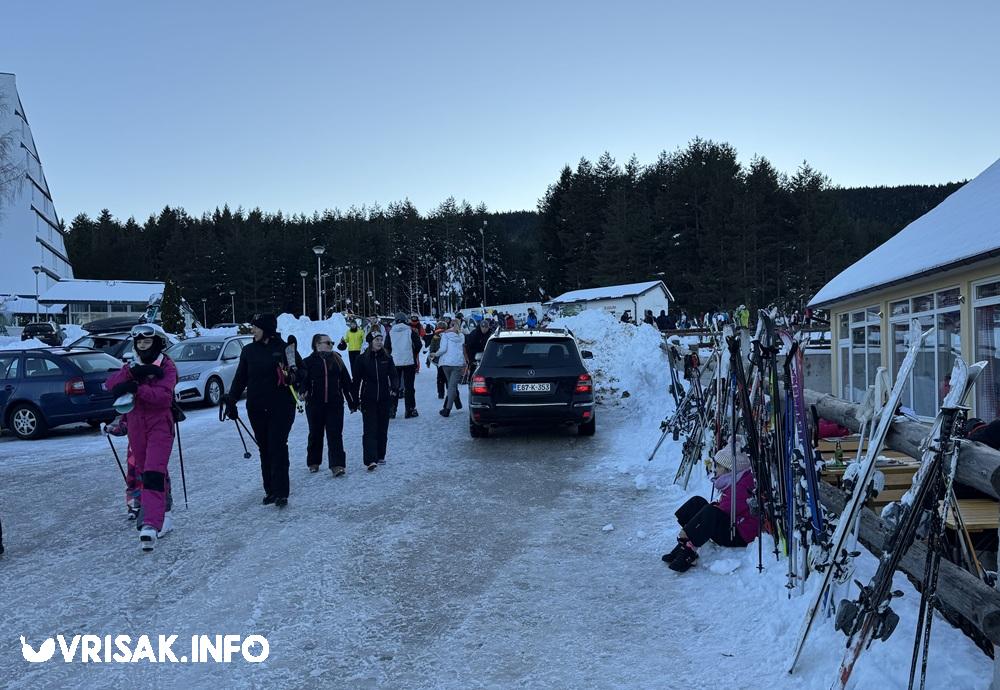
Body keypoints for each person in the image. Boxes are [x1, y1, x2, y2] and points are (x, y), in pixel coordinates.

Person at [105, 323, 178, 551]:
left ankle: (150, 524)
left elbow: (163, 398)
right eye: (139, 342)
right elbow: (110, 384)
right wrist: (131, 374)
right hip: (136, 425)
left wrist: (138, 389)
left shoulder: (166, 366)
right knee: (146, 472)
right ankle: (164, 513)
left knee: (154, 472)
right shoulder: (133, 364)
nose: (143, 346)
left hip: (159, 424)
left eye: (147, 342)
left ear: (156, 343)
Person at [223, 314, 299, 508]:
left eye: (256, 327)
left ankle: (281, 492)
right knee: (264, 447)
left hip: (282, 406)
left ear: (266, 329)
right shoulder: (248, 351)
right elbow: (240, 378)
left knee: (277, 445)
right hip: (256, 407)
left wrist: (292, 376)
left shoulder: (285, 348)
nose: (253, 330)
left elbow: (301, 372)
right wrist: (231, 400)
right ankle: (270, 490)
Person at [662, 444, 758, 572]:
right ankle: (685, 544)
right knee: (697, 502)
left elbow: (727, 510)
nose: (715, 469)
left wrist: (689, 529)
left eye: (718, 466)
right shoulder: (736, 480)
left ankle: (688, 550)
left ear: (729, 469)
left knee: (711, 512)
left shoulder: (742, 486)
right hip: (733, 524)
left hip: (739, 534)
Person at [299, 333, 358, 476]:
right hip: (314, 404)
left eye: (332, 343)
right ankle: (314, 462)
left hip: (335, 404)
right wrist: (302, 391)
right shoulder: (308, 362)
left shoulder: (337, 360)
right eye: (328, 343)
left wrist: (352, 402)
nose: (331, 345)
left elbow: (346, 382)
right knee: (315, 433)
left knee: (335, 434)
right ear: (317, 345)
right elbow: (303, 381)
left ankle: (337, 465)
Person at [353, 332, 397, 470]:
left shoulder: (387, 358)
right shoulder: (362, 359)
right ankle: (370, 459)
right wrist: (355, 400)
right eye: (377, 339)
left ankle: (380, 455)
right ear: (370, 342)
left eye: (381, 339)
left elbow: (394, 375)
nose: (379, 342)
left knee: (382, 428)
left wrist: (394, 388)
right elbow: (356, 380)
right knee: (370, 429)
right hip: (368, 398)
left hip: (384, 398)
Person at [387, 312, 422, 418]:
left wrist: (391, 355)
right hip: (409, 361)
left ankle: (391, 409)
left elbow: (386, 347)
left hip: (395, 362)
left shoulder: (391, 332)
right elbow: (418, 344)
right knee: (409, 387)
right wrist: (413, 353)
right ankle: (410, 409)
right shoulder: (410, 330)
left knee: (394, 386)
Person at [432, 319, 466, 417]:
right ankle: (454, 405)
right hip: (457, 363)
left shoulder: (445, 335)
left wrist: (435, 354)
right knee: (452, 386)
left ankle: (447, 409)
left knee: (451, 386)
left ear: (449, 325)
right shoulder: (462, 336)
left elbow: (443, 349)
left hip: (446, 363)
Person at [427, 319, 449, 399]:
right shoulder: (448, 335)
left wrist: (430, 358)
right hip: (447, 359)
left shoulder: (435, 336)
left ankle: (440, 393)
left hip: (438, 360)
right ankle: (449, 392)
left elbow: (432, 348)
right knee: (447, 377)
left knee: (440, 377)